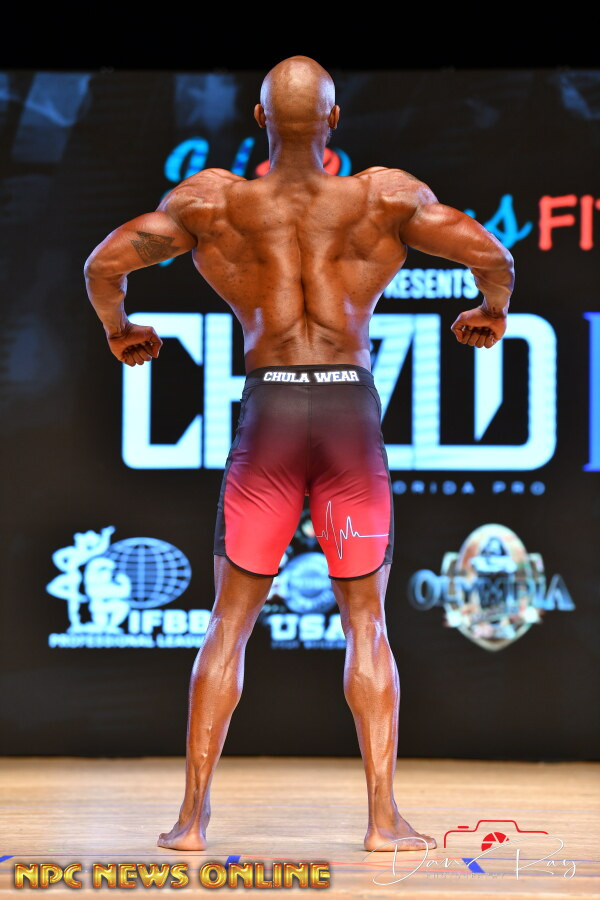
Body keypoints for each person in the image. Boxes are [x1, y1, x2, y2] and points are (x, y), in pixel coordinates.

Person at [84, 55, 514, 853]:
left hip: (271, 413)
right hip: (348, 414)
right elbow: (495, 258)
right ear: (334, 121)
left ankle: (191, 822)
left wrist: (120, 330)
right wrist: (491, 313)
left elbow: (105, 265)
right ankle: (383, 822)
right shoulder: (383, 197)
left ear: (258, 120)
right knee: (366, 622)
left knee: (228, 622)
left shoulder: (213, 203)